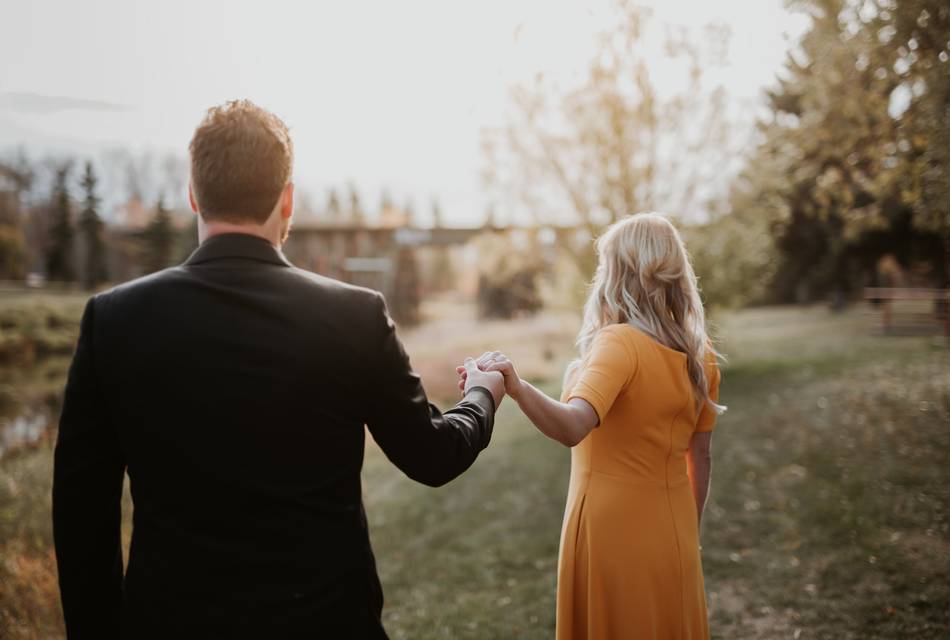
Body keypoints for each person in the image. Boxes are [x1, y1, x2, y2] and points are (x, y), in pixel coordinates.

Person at [51, 99, 506, 639]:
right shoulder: (355, 316)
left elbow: (82, 515)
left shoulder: (114, 320)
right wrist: (481, 394)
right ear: (287, 201)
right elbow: (433, 455)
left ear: (194, 195)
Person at [461, 213, 723, 640]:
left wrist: (516, 384)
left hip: (612, 535)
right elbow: (701, 455)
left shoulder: (620, 343)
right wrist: (686, 535)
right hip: (675, 532)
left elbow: (572, 427)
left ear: (617, 273)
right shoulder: (700, 354)